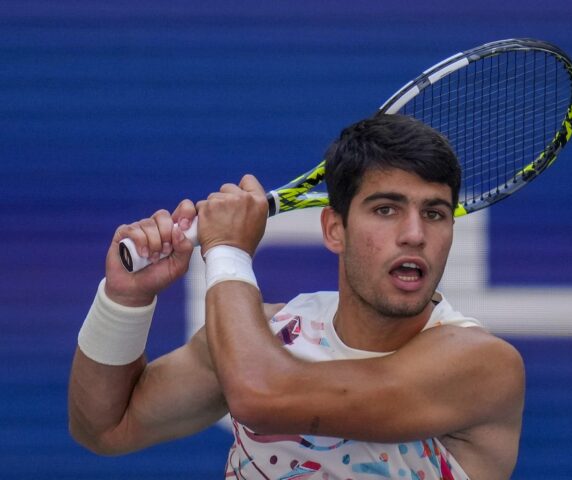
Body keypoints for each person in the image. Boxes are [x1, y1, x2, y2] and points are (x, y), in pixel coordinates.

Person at [68, 114, 525, 480]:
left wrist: (226, 252)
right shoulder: (265, 336)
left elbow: (261, 396)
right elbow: (105, 428)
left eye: (435, 213)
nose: (414, 234)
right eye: (386, 209)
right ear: (334, 229)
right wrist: (123, 297)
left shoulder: (481, 364)